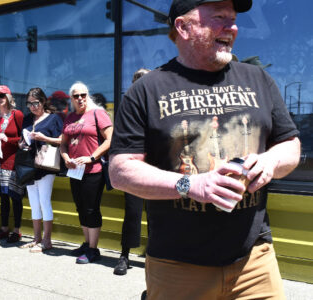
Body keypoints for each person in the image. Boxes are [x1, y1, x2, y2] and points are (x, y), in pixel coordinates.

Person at [109, 0, 301, 298]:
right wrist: (191, 184)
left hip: (255, 261)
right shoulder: (146, 90)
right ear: (183, 27)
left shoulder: (258, 79)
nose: (232, 27)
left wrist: (271, 161)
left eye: (233, 19)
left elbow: (290, 144)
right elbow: (121, 171)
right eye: (219, 18)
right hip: (176, 267)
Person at [60, 82, 113, 264]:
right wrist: (66, 157)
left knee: (91, 208)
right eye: (76, 96)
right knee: (80, 207)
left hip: (93, 170)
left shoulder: (98, 113)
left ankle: (93, 249)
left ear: (87, 95)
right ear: (71, 98)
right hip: (75, 171)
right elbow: (63, 143)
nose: (80, 98)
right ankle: (86, 243)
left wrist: (92, 157)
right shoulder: (70, 117)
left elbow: (109, 140)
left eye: (83, 95)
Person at [113, 67, 151, 276]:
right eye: (137, 81)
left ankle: (155, 256)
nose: (141, 84)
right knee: (133, 212)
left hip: (156, 167)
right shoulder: (127, 108)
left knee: (156, 214)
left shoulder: (158, 106)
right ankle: (124, 255)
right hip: (134, 167)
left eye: (144, 80)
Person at [18, 88, 63, 253]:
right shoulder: (27, 119)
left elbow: (61, 140)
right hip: (29, 164)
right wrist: (21, 144)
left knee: (44, 201)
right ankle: (37, 238)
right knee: (34, 203)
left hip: (45, 165)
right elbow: (22, 139)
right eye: (29, 103)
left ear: (43, 101)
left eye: (35, 103)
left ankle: (47, 240)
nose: (32, 107)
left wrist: (44, 138)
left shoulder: (53, 119)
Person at [0, 85, 24, 243]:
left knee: (15, 196)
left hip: (13, 161)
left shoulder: (17, 114)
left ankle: (17, 230)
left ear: (8, 97)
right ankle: (4, 229)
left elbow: (24, 139)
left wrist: (8, 139)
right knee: (3, 196)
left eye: (2, 95)